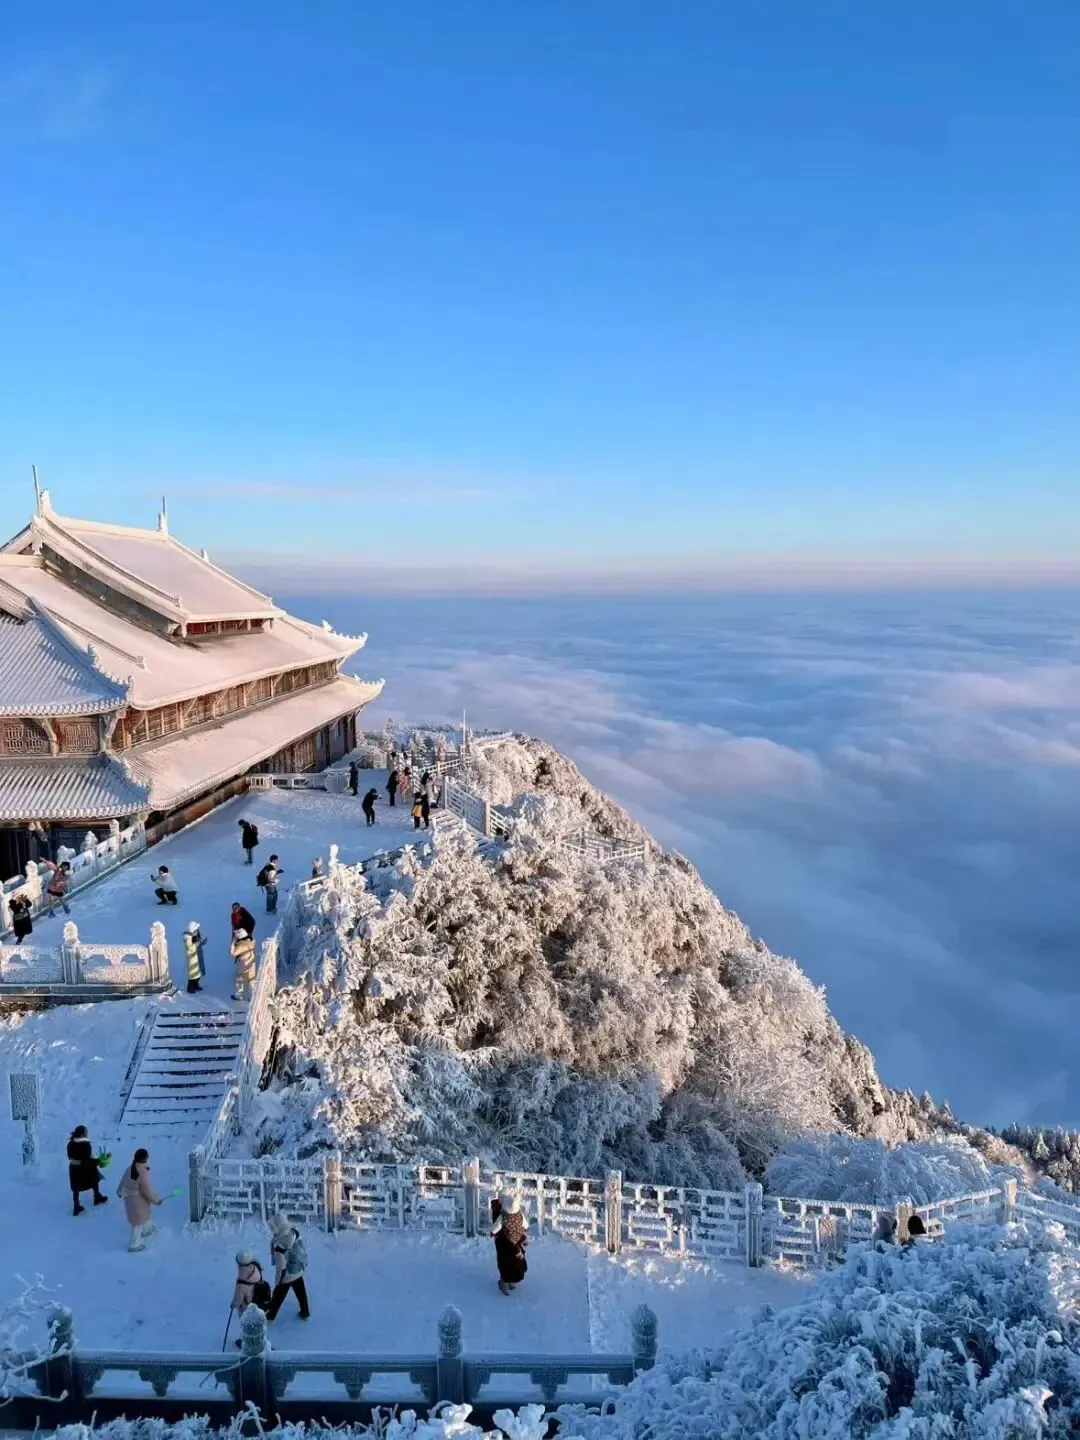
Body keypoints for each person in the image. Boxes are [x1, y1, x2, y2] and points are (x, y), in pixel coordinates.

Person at [265, 1212, 311, 1321]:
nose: (271, 1230)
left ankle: (270, 1316)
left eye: (272, 1227)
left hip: (287, 1274)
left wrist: (278, 1280)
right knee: (301, 1293)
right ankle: (305, 1313)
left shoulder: (279, 1244)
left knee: (278, 1295)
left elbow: (281, 1266)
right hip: (297, 1270)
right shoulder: (292, 1232)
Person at [117, 1147, 163, 1251]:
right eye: (147, 1156)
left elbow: (123, 1181)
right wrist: (156, 1201)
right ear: (144, 1158)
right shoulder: (142, 1171)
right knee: (137, 1222)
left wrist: (119, 1191)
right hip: (137, 1200)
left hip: (130, 1199)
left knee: (143, 1216)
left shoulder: (131, 1167)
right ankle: (134, 1245)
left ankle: (147, 1230)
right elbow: (146, 1191)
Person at [489, 1191, 528, 1295]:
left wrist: (492, 1232)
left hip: (507, 1243)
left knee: (507, 1262)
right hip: (515, 1243)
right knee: (512, 1262)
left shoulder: (503, 1216)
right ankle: (508, 1282)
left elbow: (495, 1228)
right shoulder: (519, 1215)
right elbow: (526, 1225)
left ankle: (506, 1282)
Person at [230, 1250, 271, 1344]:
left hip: (248, 1307)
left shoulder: (241, 1282)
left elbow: (238, 1300)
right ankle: (261, 1341)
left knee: (248, 1326)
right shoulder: (255, 1268)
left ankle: (250, 1343)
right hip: (258, 1304)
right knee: (258, 1325)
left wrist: (233, 1305)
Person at [66, 1125, 107, 1216]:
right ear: (81, 1134)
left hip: (74, 1168)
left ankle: (76, 1206)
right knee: (94, 1180)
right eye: (85, 1132)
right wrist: (97, 1161)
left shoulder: (71, 1143)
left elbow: (70, 1157)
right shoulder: (85, 1144)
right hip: (85, 1169)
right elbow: (87, 1159)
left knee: (76, 1187)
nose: (87, 1134)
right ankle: (97, 1197)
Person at [230, 928, 256, 1002]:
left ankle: (239, 995)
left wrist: (233, 943)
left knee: (239, 979)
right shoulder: (251, 941)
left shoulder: (241, 945)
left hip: (243, 965)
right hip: (251, 964)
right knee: (251, 980)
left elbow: (232, 953)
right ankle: (253, 996)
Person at [183, 921, 205, 994]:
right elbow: (191, 948)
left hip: (197, 958)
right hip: (193, 959)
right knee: (193, 975)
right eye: (196, 930)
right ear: (193, 930)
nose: (198, 931)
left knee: (198, 974)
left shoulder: (194, 936)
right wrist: (198, 942)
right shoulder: (188, 938)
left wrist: (202, 942)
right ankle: (190, 988)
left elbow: (197, 944)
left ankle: (196, 985)